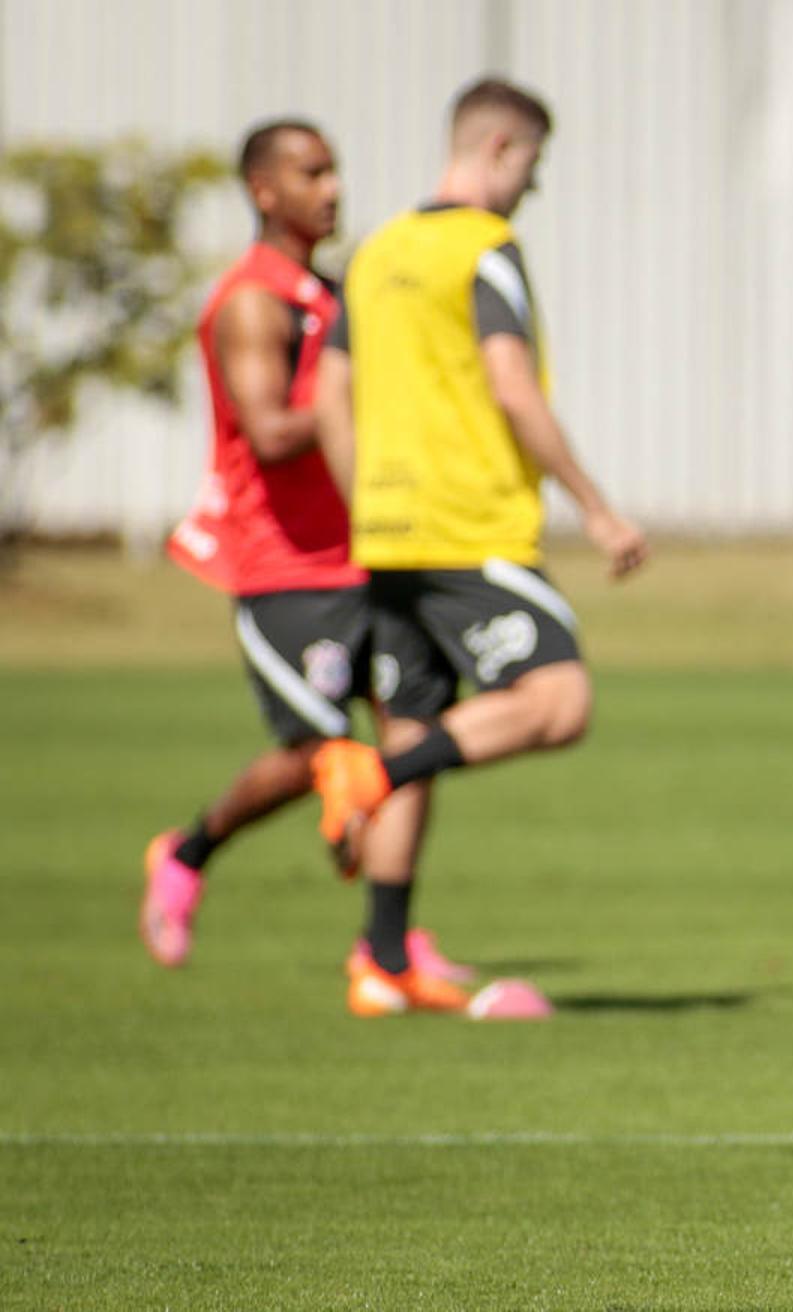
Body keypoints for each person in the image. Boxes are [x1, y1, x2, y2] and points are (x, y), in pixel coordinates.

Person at [312, 76, 648, 1018]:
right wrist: (597, 507)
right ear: (500, 148)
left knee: (417, 726)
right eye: (531, 165)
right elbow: (511, 385)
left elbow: (328, 399)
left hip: (389, 535)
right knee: (559, 701)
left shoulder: (373, 255)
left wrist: (367, 504)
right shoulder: (487, 249)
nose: (531, 187)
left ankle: (381, 963)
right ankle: (364, 776)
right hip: (472, 528)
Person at [142, 118, 469, 991]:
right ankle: (184, 854)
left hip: (367, 554)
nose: (331, 189)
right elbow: (270, 430)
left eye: (336, 171)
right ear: (264, 190)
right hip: (284, 565)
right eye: (311, 173)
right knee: (314, 752)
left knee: (413, 736)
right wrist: (367, 411)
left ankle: (387, 950)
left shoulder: (330, 291)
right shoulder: (255, 299)